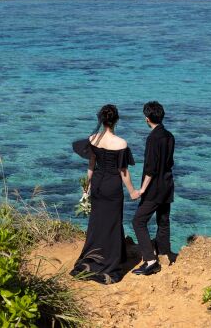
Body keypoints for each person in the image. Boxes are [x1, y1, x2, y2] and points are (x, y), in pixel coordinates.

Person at [71, 104, 139, 284]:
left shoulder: (93, 139)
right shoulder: (121, 143)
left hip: (98, 184)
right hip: (112, 185)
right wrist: (133, 191)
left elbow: (91, 165)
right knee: (113, 223)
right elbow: (123, 171)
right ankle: (110, 262)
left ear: (101, 119)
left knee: (97, 222)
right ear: (116, 120)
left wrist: (87, 187)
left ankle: (92, 258)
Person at [131, 101, 175, 276]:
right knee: (163, 221)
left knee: (138, 221)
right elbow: (168, 162)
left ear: (147, 119)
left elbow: (150, 169)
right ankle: (164, 253)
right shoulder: (169, 136)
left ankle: (150, 261)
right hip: (167, 184)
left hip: (154, 188)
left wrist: (141, 190)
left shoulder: (152, 139)